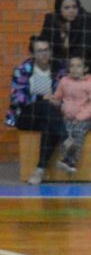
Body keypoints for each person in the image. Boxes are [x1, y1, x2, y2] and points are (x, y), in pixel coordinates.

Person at [8, 37, 63, 184]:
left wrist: (59, 101)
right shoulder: (23, 70)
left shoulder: (59, 69)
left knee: (49, 126)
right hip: (26, 115)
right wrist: (40, 98)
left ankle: (40, 170)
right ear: (32, 53)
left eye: (46, 50)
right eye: (39, 51)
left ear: (51, 51)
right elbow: (17, 97)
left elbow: (66, 92)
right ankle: (66, 139)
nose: (44, 54)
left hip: (51, 115)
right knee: (45, 105)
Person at [51, 54, 91, 175]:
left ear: (85, 68)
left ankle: (70, 161)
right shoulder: (64, 81)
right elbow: (57, 97)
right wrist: (53, 100)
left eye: (78, 66)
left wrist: (80, 117)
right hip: (67, 117)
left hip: (86, 118)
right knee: (65, 133)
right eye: (72, 66)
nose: (74, 69)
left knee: (77, 132)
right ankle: (67, 160)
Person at [37, 0, 91, 67]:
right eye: (66, 8)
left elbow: (86, 48)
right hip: (55, 61)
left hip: (79, 63)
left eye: (74, 7)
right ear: (59, 9)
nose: (71, 11)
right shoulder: (51, 19)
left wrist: (68, 64)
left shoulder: (86, 18)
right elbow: (45, 43)